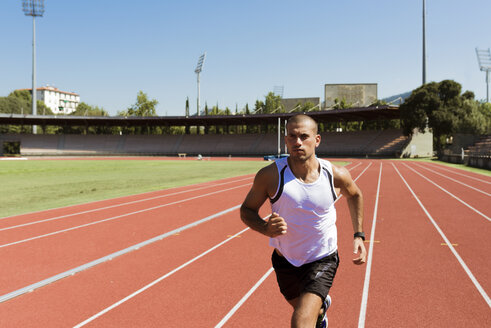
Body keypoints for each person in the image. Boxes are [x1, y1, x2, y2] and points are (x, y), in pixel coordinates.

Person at [240, 114, 367, 328]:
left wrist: (359, 235)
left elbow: (355, 195)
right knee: (307, 311)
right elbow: (246, 210)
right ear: (286, 139)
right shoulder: (270, 175)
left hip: (322, 258)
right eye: (292, 136)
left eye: (304, 136)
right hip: (285, 260)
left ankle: (317, 307)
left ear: (317, 140)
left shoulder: (334, 174)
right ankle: (322, 308)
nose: (297, 142)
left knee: (300, 322)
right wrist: (265, 228)